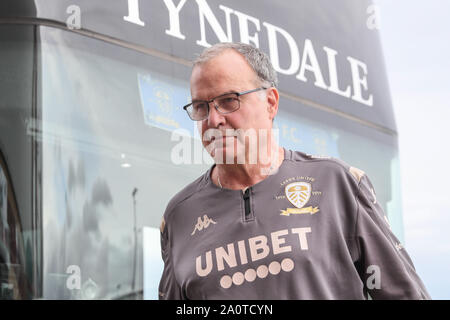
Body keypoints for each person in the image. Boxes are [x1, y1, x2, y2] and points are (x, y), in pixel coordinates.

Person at [158, 42, 430, 300]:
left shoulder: (338, 183)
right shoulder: (178, 217)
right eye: (200, 107)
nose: (213, 119)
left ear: (270, 103)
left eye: (229, 100)